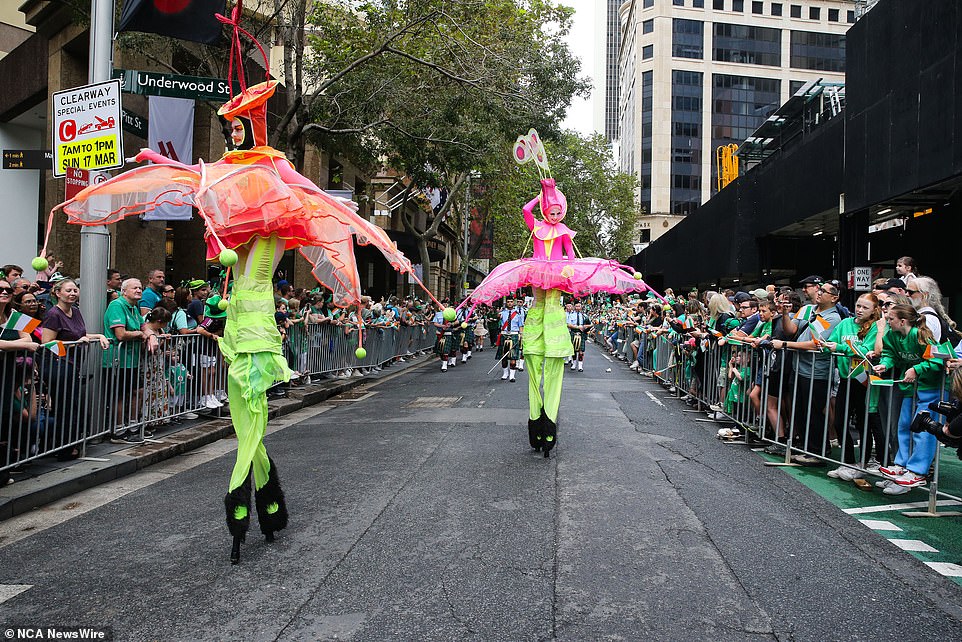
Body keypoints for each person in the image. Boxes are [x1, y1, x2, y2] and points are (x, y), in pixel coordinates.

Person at [873, 303, 946, 495]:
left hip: (930, 388)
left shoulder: (920, 334)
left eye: (890, 319)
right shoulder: (892, 335)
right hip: (910, 388)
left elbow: (937, 359)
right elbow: (889, 354)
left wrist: (916, 369)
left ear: (902, 321)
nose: (887, 322)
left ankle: (917, 470)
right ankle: (901, 464)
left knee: (924, 429)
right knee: (904, 424)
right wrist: (884, 365)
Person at [40, 278, 110, 458]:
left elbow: (82, 334)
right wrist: (73, 344)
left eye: (75, 290)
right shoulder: (53, 314)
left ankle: (71, 443)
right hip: (58, 365)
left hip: (74, 364)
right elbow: (47, 343)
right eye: (68, 290)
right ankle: (62, 448)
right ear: (57, 293)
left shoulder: (76, 311)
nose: (73, 293)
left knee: (73, 405)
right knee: (65, 406)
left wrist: (99, 336)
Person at [822, 293, 885, 480]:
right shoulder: (845, 323)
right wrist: (829, 346)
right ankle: (848, 461)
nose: (859, 310)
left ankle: (863, 462)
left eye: (865, 307)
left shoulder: (875, 327)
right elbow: (830, 343)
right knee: (840, 420)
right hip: (846, 377)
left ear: (874, 310)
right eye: (858, 305)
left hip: (865, 379)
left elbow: (867, 351)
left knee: (864, 423)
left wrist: (840, 348)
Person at [103, 278, 154, 443]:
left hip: (131, 360)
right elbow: (121, 334)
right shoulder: (117, 305)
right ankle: (118, 431)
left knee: (137, 391)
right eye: (135, 288)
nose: (139, 290)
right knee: (119, 395)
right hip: (117, 360)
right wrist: (141, 335)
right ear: (124, 291)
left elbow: (143, 325)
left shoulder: (133, 307)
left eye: (140, 287)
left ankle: (133, 425)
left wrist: (150, 335)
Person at [497, 298, 524, 382]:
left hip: (514, 334)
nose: (509, 303)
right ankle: (505, 373)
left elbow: (521, 326)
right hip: (504, 334)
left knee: (513, 357)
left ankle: (512, 376)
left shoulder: (518, 314)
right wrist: (498, 314)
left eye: (511, 302)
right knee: (503, 356)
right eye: (508, 302)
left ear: (513, 303)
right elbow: (497, 319)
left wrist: (521, 336)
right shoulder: (502, 313)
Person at [566, 301, 589, 372]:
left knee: (581, 351)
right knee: (574, 350)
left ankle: (580, 365)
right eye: (576, 306)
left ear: (581, 307)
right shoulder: (571, 315)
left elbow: (590, 324)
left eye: (579, 306)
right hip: (574, 332)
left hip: (581, 333)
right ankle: (574, 363)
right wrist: (577, 327)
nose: (578, 308)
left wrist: (585, 326)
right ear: (574, 307)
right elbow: (568, 324)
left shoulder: (584, 316)